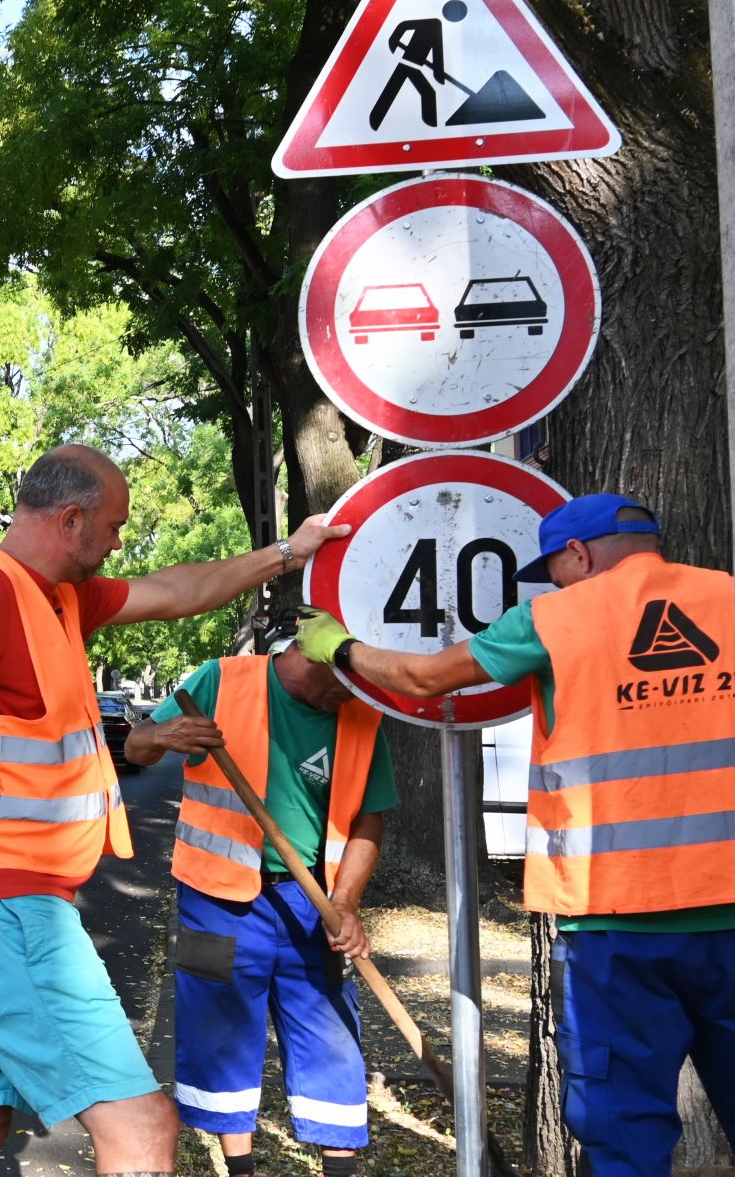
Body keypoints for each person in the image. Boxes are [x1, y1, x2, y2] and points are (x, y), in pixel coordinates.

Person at [0, 444, 351, 1177]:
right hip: (1, 905)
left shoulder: (58, 596)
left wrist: (289, 552)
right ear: (70, 520)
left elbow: (179, 589)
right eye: (114, 527)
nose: (119, 544)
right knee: (143, 1125)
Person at [295, 493, 735, 1176]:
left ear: (579, 554)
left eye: (553, 567)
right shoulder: (729, 597)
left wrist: (340, 648)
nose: (551, 580)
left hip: (614, 922)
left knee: (625, 1140)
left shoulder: (560, 618)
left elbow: (424, 677)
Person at [124, 632, 397, 1177]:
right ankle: (240, 1169)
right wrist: (163, 734)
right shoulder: (222, 679)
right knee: (222, 1035)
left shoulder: (364, 711)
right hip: (215, 897)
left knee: (331, 1037)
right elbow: (135, 748)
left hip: (312, 902)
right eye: (347, 684)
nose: (354, 697)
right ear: (317, 657)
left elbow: (371, 814)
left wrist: (345, 901)